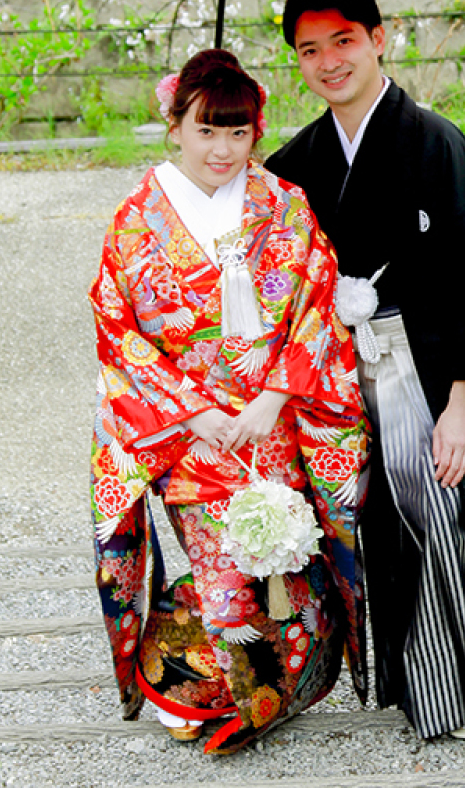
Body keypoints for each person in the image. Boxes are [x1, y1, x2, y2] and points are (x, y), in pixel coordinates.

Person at [265, 0, 465, 741]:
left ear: (380, 40)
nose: (328, 62)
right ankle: (418, 690)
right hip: (346, 382)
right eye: (309, 50)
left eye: (343, 40)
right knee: (382, 528)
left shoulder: (435, 144)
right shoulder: (297, 163)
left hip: (434, 376)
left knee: (453, 513)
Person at [90, 49, 369, 755]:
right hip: (193, 436)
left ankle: (219, 680)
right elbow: (119, 331)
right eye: (207, 130)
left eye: (238, 133)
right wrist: (195, 409)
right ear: (174, 124)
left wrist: (274, 398)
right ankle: (235, 692)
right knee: (228, 587)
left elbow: (316, 310)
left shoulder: (285, 205)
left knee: (290, 586)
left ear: (256, 132)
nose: (223, 149)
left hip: (273, 427)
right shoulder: (135, 220)